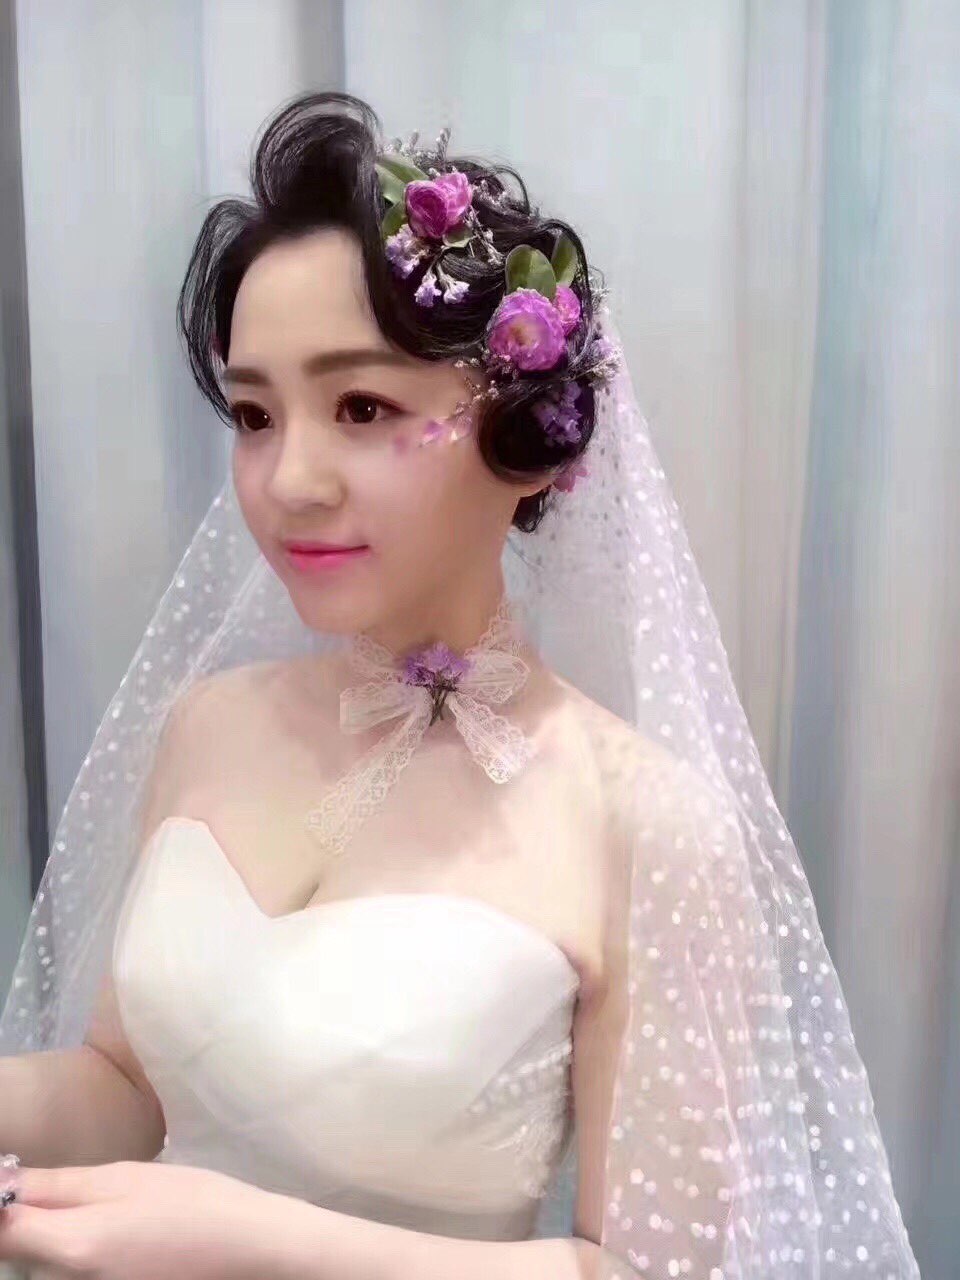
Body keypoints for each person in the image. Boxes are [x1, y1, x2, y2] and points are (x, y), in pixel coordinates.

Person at [0, 91, 919, 1279]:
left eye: (363, 406)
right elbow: (126, 1087)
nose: (290, 480)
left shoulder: (645, 821)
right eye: (255, 414)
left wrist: (241, 1240)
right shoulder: (207, 724)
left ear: (532, 432)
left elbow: (652, 1269)